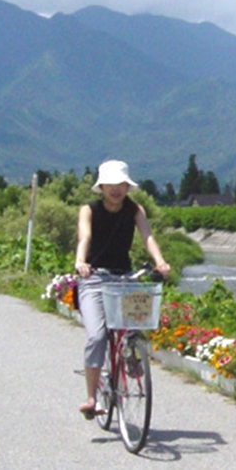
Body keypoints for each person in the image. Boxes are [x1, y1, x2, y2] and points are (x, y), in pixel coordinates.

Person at [74, 159, 170, 419]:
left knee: (135, 323)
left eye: (121, 184)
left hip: (123, 277)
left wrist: (159, 262)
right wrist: (81, 262)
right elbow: (85, 238)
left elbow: (147, 236)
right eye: (110, 184)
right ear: (101, 186)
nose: (116, 189)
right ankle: (92, 397)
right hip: (94, 277)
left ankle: (131, 355)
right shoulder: (89, 210)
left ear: (127, 186)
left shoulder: (135, 210)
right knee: (97, 336)